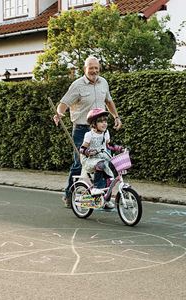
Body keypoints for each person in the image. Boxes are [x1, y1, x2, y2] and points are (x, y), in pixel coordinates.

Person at [53, 56, 122, 208]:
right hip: (82, 130)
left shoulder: (103, 82)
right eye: (91, 68)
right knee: (80, 164)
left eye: (96, 68)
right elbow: (63, 103)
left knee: (103, 162)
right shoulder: (77, 85)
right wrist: (59, 113)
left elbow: (109, 102)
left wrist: (116, 117)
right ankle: (69, 195)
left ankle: (102, 198)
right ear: (85, 69)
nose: (94, 71)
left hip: (100, 130)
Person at [79, 108, 123, 209]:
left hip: (102, 156)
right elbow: (82, 149)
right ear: (94, 124)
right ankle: (96, 188)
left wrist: (119, 148)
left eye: (105, 121)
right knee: (102, 164)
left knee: (110, 179)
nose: (104, 124)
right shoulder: (89, 135)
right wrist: (88, 152)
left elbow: (109, 145)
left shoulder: (106, 133)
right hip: (90, 159)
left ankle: (106, 200)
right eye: (100, 121)